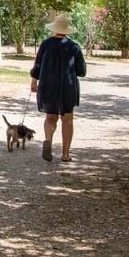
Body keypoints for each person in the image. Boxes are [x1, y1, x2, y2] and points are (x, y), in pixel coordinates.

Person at [30, 14, 87, 163]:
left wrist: (34, 82)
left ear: (54, 28)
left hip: (48, 84)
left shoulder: (45, 44)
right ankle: (65, 154)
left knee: (50, 117)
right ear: (68, 30)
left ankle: (48, 140)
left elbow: (37, 65)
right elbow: (81, 71)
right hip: (67, 86)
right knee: (67, 119)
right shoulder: (74, 47)